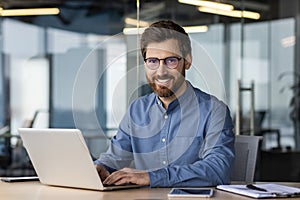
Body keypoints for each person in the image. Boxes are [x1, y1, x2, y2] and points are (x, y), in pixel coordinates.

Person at [94, 20, 235, 187]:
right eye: (153, 61)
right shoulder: (137, 110)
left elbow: (218, 170)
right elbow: (115, 156)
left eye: (170, 61)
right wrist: (100, 167)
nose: (161, 71)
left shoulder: (214, 111)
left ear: (187, 61)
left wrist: (151, 177)